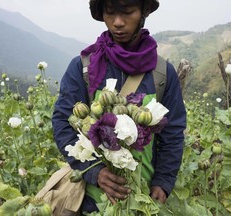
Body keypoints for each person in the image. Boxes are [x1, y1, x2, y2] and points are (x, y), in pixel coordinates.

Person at [52, 0, 186, 213]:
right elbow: (62, 122)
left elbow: (173, 132)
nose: (117, 22)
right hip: (92, 200)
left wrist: (163, 181)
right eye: (110, 12)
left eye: (128, 12)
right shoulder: (84, 68)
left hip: (145, 197)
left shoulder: (162, 74)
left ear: (144, 12)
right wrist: (94, 172)